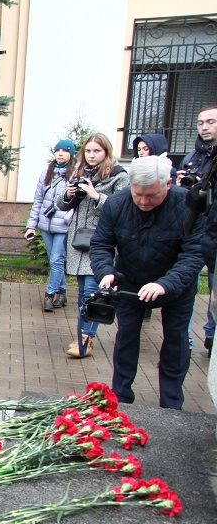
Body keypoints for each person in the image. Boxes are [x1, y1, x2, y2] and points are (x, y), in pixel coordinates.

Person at [90, 155, 204, 410]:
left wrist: (165, 284)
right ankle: (120, 398)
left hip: (176, 286)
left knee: (176, 341)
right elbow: (101, 244)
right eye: (138, 193)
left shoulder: (189, 207)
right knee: (126, 337)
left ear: (168, 183)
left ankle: (172, 404)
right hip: (129, 281)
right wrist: (105, 272)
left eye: (151, 195)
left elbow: (194, 254)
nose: (143, 201)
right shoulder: (117, 204)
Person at [57, 133, 128, 360]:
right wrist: (68, 194)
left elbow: (124, 209)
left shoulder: (118, 176)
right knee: (82, 293)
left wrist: (97, 195)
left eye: (96, 151)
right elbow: (62, 205)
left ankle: (86, 339)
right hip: (79, 242)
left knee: (92, 292)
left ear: (106, 152)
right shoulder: (80, 172)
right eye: (88, 151)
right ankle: (82, 335)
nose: (92, 155)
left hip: (102, 243)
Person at [179, 105, 217, 351]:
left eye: (211, 122)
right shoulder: (193, 156)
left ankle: (211, 335)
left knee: (214, 289)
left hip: (213, 232)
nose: (204, 127)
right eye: (201, 122)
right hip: (197, 227)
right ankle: (187, 341)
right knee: (188, 285)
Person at [25, 140, 75, 312]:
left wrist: (69, 217)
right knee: (55, 261)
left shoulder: (75, 174)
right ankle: (62, 293)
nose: (60, 153)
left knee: (56, 260)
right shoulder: (47, 172)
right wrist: (31, 226)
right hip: (46, 224)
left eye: (64, 150)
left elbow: (78, 202)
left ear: (71, 153)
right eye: (57, 150)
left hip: (63, 225)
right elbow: (38, 200)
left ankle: (50, 294)